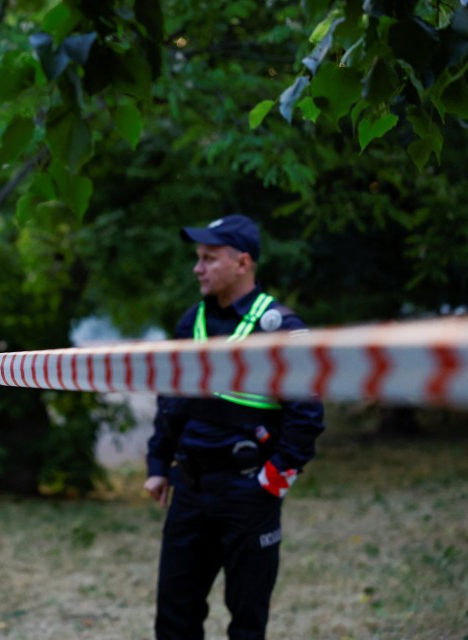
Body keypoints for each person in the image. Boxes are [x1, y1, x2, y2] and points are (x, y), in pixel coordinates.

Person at [144, 213, 325, 640]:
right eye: (197, 258)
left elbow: (308, 415)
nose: (197, 268)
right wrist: (157, 462)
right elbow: (172, 398)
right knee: (174, 618)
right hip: (189, 489)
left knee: (247, 623)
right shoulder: (191, 322)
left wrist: (271, 483)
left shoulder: (281, 327)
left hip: (248, 491)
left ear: (243, 263)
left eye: (209, 258)